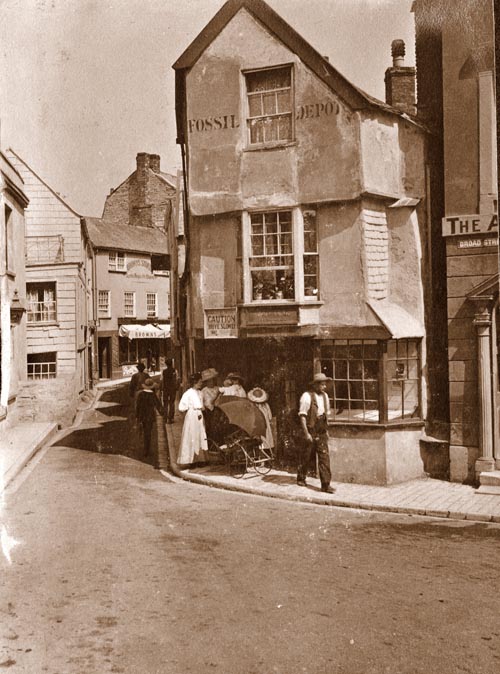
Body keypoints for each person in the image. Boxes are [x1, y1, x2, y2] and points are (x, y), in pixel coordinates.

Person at [297, 373, 335, 493]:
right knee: (306, 455)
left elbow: (325, 416)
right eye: (322, 384)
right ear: (315, 385)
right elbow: (302, 416)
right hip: (311, 428)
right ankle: (301, 477)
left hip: (321, 428)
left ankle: (325, 484)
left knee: (324, 457)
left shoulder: (325, 396)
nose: (324, 387)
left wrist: (326, 430)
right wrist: (306, 433)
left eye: (325, 384)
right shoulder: (306, 397)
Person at [177, 372, 208, 466]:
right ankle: (189, 460)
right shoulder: (188, 393)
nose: (201, 384)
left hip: (199, 415)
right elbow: (181, 407)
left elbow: (203, 403)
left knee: (200, 435)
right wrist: (190, 409)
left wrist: (202, 407)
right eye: (199, 382)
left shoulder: (201, 393)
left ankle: (200, 459)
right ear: (194, 382)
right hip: (192, 415)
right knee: (192, 436)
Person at [135, 378, 164, 457]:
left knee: (145, 432)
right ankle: (147, 449)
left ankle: (145, 449)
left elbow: (137, 406)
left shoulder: (141, 394)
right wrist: (162, 414)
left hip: (142, 416)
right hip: (150, 417)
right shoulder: (152, 395)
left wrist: (137, 416)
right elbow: (158, 405)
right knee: (148, 433)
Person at [248, 386, 274, 451]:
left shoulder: (255, 406)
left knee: (263, 439)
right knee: (263, 440)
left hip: (261, 426)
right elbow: (270, 417)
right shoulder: (264, 405)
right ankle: (266, 451)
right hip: (262, 426)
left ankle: (264, 452)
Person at [162, 358, 180, 424]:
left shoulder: (164, 371)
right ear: (172, 363)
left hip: (166, 389)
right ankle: (171, 418)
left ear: (166, 364)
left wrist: (162, 389)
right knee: (172, 403)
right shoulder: (175, 371)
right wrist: (177, 388)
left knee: (165, 403)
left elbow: (162, 380)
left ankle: (165, 418)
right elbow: (177, 379)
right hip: (172, 389)